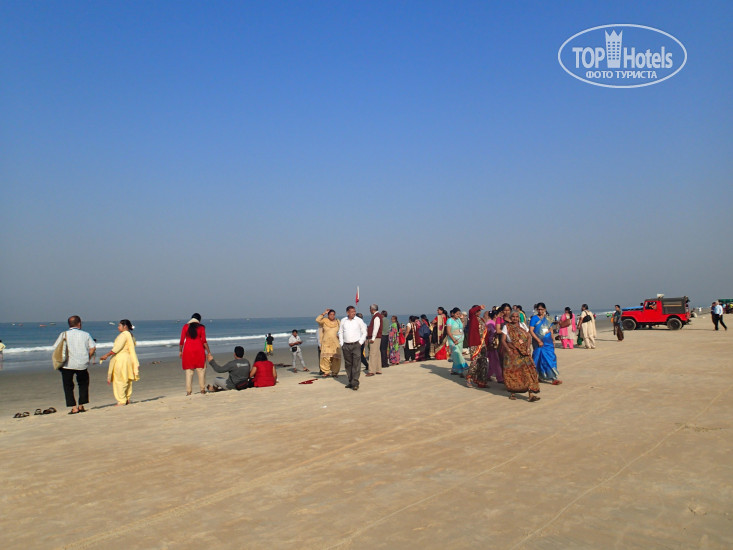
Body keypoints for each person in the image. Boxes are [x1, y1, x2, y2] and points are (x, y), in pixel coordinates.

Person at [53, 315, 96, 414]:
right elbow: (93, 347)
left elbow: (56, 347)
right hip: (82, 363)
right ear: (79, 323)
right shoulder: (85, 334)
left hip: (67, 363)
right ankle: (81, 405)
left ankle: (73, 407)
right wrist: (88, 357)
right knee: (83, 384)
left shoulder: (64, 334)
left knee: (68, 386)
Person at [501, 311, 541, 401]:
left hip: (524, 352)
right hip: (513, 352)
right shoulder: (506, 327)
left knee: (529, 372)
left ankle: (531, 394)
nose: (515, 318)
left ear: (519, 318)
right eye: (513, 317)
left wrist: (528, 348)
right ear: (510, 318)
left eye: (517, 317)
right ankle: (512, 393)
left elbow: (529, 337)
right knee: (514, 373)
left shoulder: (523, 325)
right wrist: (508, 350)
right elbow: (503, 340)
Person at [99, 320, 140, 406]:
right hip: (128, 358)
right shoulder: (130, 335)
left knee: (120, 380)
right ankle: (127, 398)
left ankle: (121, 400)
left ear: (125, 326)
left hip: (121, 359)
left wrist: (106, 355)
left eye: (119, 325)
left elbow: (117, 348)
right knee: (127, 379)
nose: (118, 327)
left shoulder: (123, 335)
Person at [529, 303, 562, 385]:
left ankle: (553, 378)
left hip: (548, 342)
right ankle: (538, 376)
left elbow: (551, 330)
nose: (540, 311)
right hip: (538, 342)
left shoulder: (548, 318)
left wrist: (553, 340)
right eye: (538, 309)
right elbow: (531, 331)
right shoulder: (534, 318)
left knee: (550, 358)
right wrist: (538, 341)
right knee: (538, 358)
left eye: (542, 309)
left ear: (545, 309)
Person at [179, 313, 211, 396]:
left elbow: (182, 341)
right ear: (199, 320)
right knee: (201, 371)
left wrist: (180, 351)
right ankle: (202, 390)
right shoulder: (201, 327)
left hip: (188, 351)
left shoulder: (185, 326)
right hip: (199, 350)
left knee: (189, 372)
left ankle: (188, 392)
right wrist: (208, 352)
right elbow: (204, 341)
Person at [338, 306, 367, 390]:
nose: (354, 313)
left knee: (356, 364)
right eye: (352, 312)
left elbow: (364, 332)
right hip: (346, 345)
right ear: (347, 312)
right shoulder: (343, 320)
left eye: (354, 311)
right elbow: (340, 332)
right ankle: (350, 381)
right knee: (348, 364)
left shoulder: (359, 320)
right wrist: (341, 343)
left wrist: (360, 342)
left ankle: (355, 383)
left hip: (356, 345)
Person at [316, 309, 341, 377]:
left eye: (333, 314)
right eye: (330, 314)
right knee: (326, 358)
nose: (332, 316)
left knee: (335, 358)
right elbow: (317, 320)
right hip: (326, 342)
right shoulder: (324, 321)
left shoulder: (338, 322)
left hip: (335, 342)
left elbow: (342, 330)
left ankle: (334, 373)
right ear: (328, 315)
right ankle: (326, 372)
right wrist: (324, 313)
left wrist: (340, 336)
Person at [465, 305, 486, 387]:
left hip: (483, 344)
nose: (479, 312)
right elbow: (471, 311)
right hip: (475, 343)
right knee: (474, 362)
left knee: (483, 363)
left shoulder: (482, 320)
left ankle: (480, 381)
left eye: (479, 311)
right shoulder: (472, 318)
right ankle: (469, 378)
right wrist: (479, 307)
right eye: (477, 311)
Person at [446, 307, 468, 376]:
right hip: (453, 340)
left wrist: (462, 319)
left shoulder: (459, 320)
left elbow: (462, 327)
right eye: (457, 314)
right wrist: (454, 339)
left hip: (460, 339)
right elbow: (448, 331)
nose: (458, 315)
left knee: (457, 356)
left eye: (459, 314)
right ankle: (463, 368)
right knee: (457, 354)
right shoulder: (449, 320)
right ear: (453, 313)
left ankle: (455, 370)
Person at [485, 310, 503, 383]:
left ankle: (488, 375)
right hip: (492, 344)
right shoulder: (490, 323)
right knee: (495, 361)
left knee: (493, 361)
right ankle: (499, 378)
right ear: (496, 315)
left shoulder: (495, 323)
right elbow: (490, 334)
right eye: (500, 313)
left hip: (494, 344)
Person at [365, 304, 383, 377]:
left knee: (372, 354)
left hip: (375, 338)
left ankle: (372, 370)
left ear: (372, 309)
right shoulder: (377, 316)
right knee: (377, 353)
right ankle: (378, 369)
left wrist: (373, 338)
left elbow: (376, 328)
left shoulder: (376, 317)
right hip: (377, 337)